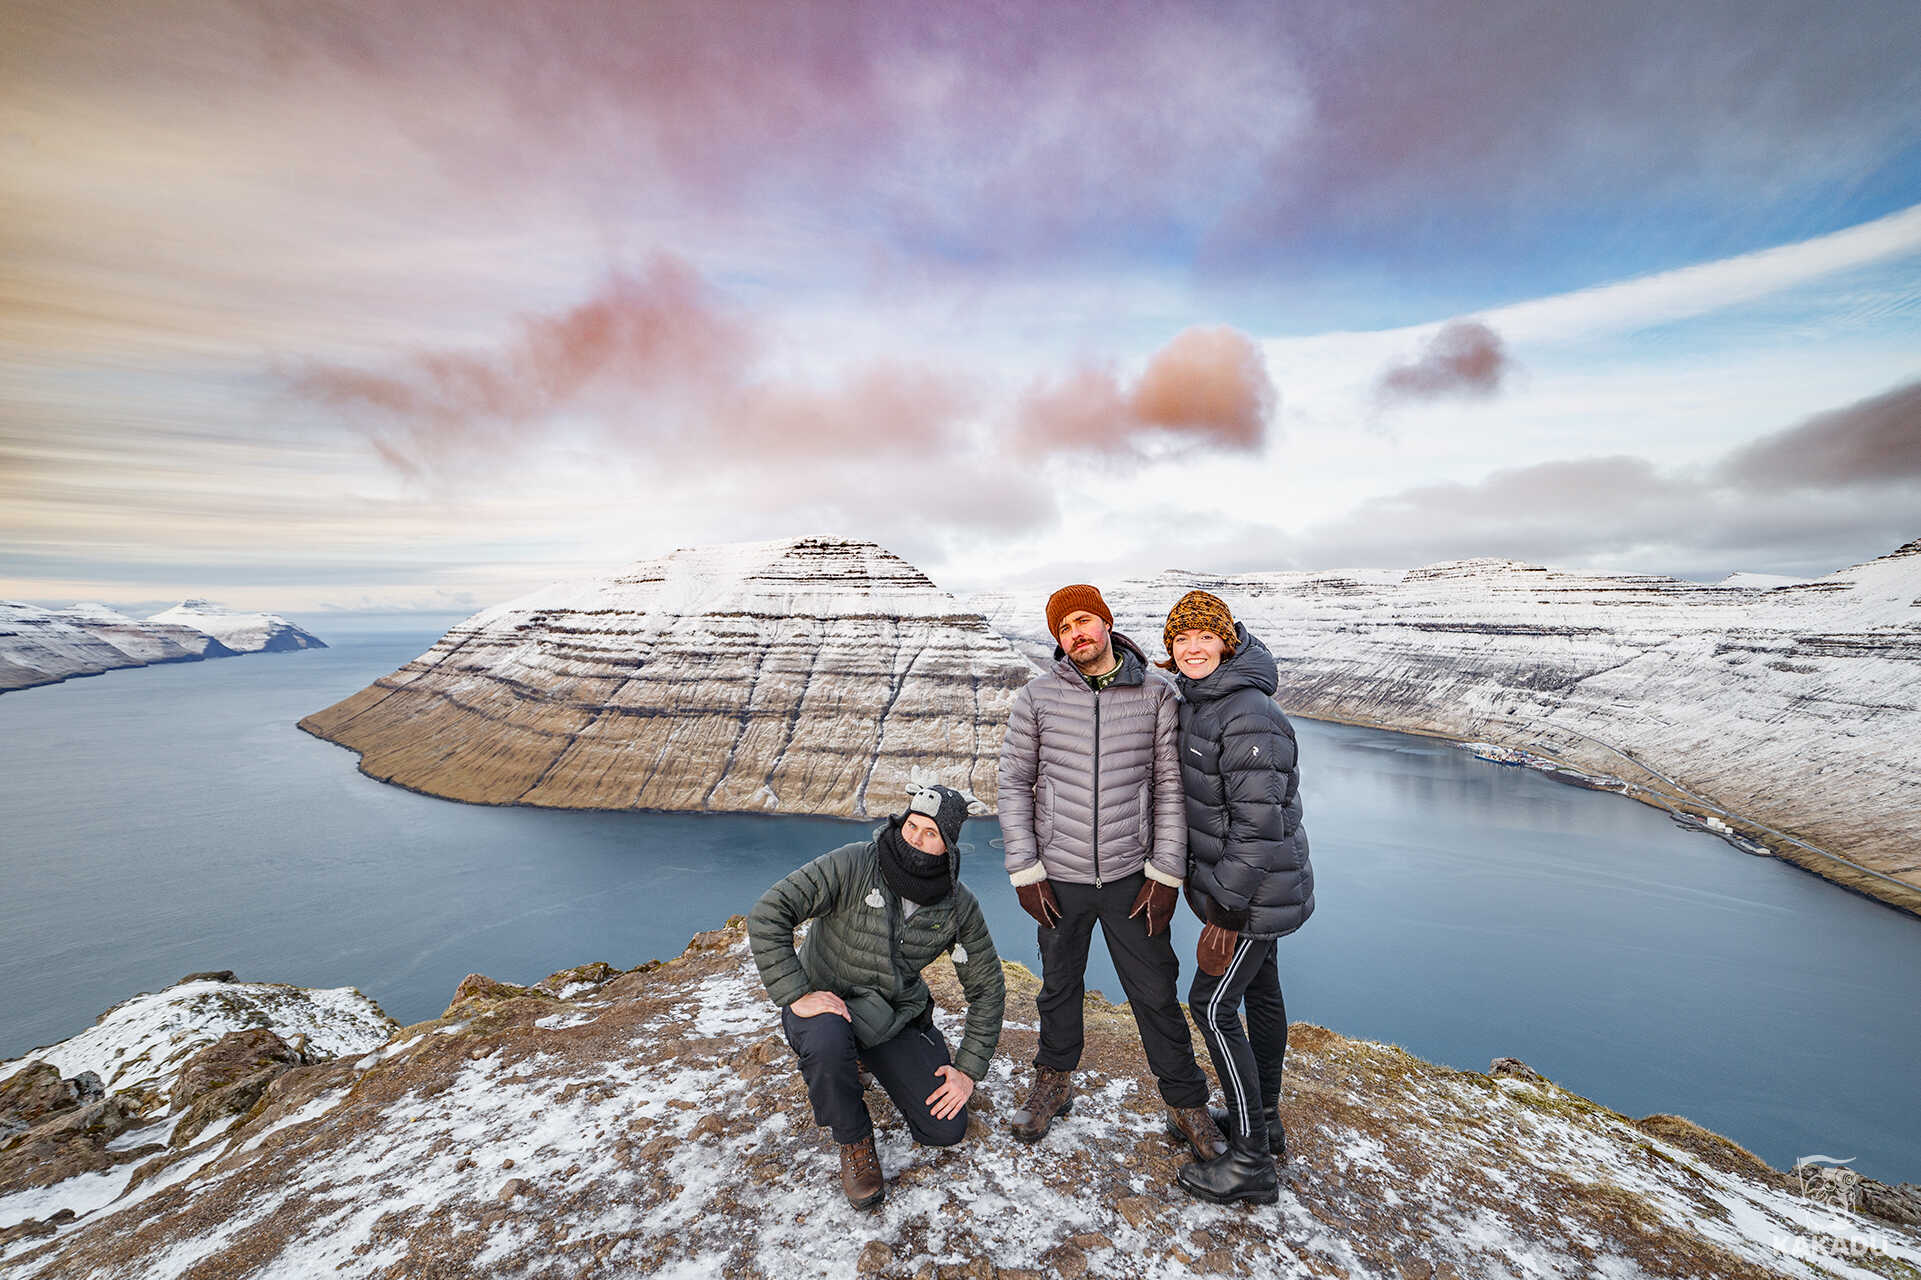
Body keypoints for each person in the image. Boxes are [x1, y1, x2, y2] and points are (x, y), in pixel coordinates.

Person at [996, 584, 1226, 1163]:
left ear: (1106, 623)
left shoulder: (1157, 694)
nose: (1075, 634)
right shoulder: (1037, 698)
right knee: (1058, 985)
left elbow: (1170, 788)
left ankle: (1186, 1103)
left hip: (1132, 874)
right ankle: (1053, 1081)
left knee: (1154, 992)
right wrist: (1026, 870)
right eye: (1063, 628)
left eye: (1083, 621)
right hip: (1060, 873)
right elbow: (1014, 786)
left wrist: (1166, 874)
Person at [747, 778, 1005, 1209]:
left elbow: (988, 987)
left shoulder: (957, 906)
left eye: (932, 833)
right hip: (824, 1006)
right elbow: (770, 912)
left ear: (949, 847)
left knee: (944, 1129)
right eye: (912, 826)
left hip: (888, 1015)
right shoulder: (854, 864)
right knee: (828, 1041)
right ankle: (854, 1140)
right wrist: (796, 992)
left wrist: (967, 1070)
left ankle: (866, 1057)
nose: (917, 839)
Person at [1159, 589, 1314, 1206]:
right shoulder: (1203, 699)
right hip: (1260, 890)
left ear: (1227, 640)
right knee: (1264, 995)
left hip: (1250, 896)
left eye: (1204, 636)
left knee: (1213, 1007)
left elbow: (1259, 826)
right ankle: (1265, 1122)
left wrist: (1223, 909)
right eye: (1181, 639)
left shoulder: (1247, 711)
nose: (1193, 648)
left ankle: (1249, 1162)